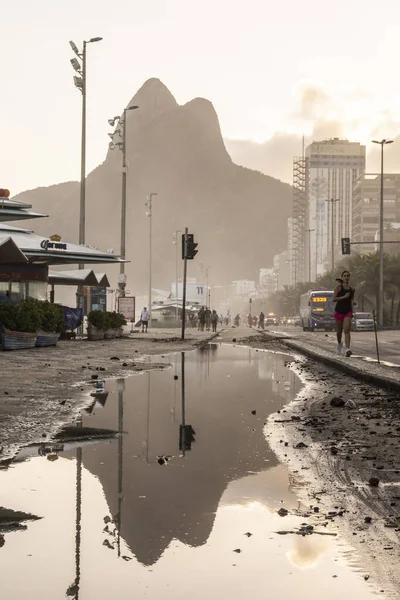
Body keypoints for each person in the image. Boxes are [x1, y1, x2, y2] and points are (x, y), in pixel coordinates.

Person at [333, 270, 355, 357]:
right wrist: (344, 297)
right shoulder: (338, 288)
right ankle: (339, 344)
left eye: (348, 276)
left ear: (349, 277)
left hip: (347, 312)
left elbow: (352, 301)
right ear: (342, 277)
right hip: (339, 311)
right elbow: (334, 299)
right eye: (345, 276)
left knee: (347, 330)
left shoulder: (352, 290)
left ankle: (347, 349)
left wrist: (352, 312)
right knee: (339, 331)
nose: (346, 277)